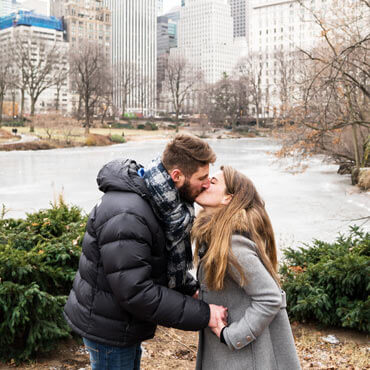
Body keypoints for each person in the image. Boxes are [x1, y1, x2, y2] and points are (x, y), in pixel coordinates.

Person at [64, 134, 227, 370]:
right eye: (201, 178)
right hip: (109, 329)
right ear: (177, 176)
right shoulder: (128, 215)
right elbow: (135, 291)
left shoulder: (161, 201)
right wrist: (205, 314)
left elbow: (153, 261)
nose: (206, 183)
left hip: (122, 322)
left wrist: (190, 289)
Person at [192, 166, 301, 370]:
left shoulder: (233, 245)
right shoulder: (216, 238)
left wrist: (231, 335)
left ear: (227, 198)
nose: (205, 183)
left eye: (213, 182)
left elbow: (270, 297)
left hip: (243, 360)